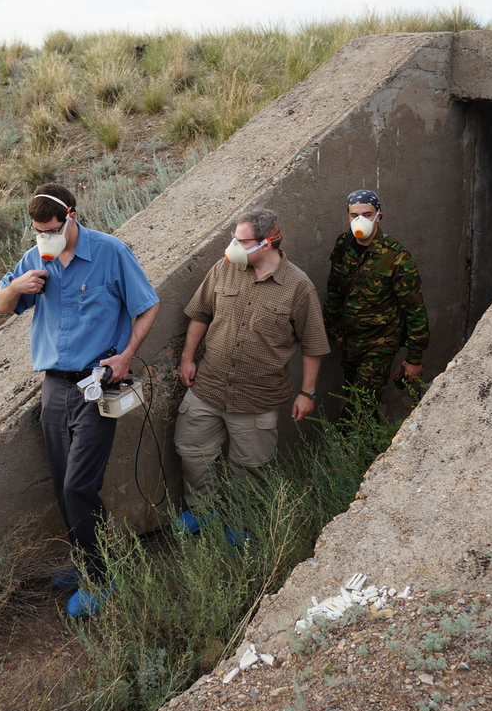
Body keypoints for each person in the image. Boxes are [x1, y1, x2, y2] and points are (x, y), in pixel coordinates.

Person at [0, 183, 159, 616]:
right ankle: (86, 560)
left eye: (50, 228)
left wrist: (125, 356)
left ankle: (102, 577)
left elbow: (147, 305)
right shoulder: (35, 258)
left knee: (79, 484)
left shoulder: (110, 252)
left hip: (96, 384)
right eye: (36, 230)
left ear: (70, 216)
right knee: (61, 482)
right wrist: (17, 288)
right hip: (54, 385)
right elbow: (0, 304)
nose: (43, 237)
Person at [174, 208, 329, 531]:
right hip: (208, 386)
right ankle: (204, 511)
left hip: (257, 398)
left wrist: (307, 392)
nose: (232, 247)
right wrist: (188, 358)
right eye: (234, 238)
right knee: (191, 452)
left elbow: (313, 344)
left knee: (250, 470)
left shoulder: (298, 287)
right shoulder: (224, 269)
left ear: (268, 242)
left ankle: (243, 527)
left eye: (242, 241)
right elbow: (200, 314)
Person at [323, 189, 430, 412]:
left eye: (367, 214)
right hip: (350, 343)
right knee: (363, 406)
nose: (360, 220)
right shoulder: (343, 245)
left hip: (380, 344)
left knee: (357, 409)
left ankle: (347, 445)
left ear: (378, 216)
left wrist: (414, 359)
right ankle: (374, 447)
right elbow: (334, 290)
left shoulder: (396, 256)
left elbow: (414, 309)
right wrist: (334, 332)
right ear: (348, 216)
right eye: (354, 215)